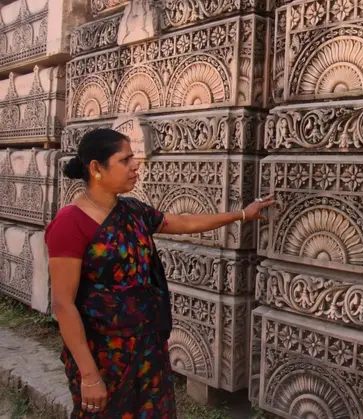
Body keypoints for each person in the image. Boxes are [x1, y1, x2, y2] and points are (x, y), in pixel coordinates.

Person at [44, 128, 275, 418]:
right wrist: (89, 375)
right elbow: (63, 304)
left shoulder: (132, 211)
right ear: (96, 168)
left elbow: (183, 222)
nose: (135, 165)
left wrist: (242, 214)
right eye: (125, 159)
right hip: (105, 356)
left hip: (148, 345)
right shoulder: (70, 223)